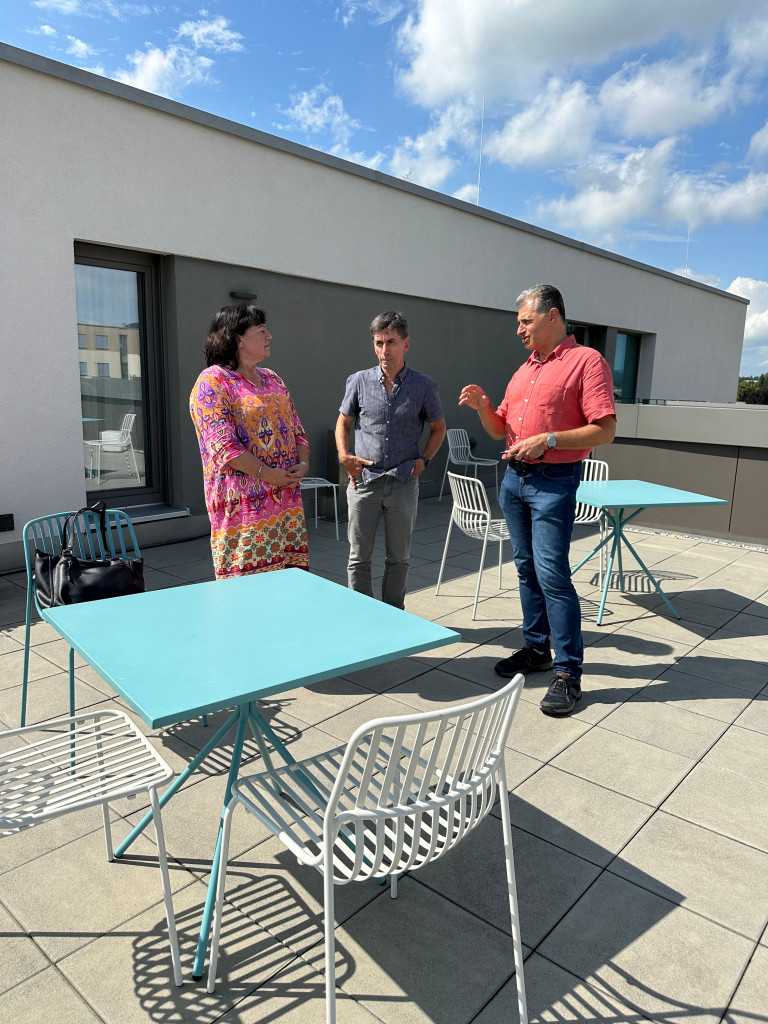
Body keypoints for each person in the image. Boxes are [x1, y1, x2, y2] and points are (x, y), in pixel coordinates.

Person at [459, 284, 616, 715]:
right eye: (518, 323)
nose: (519, 330)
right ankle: (536, 649)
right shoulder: (523, 369)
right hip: (514, 481)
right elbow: (499, 431)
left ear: (552, 317)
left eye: (525, 321)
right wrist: (483, 406)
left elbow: (604, 430)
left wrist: (547, 439)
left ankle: (568, 673)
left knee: (552, 574)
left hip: (553, 481)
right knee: (526, 568)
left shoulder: (586, 362)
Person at [189, 304, 310, 579]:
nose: (270, 337)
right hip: (244, 513)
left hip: (286, 506)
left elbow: (298, 431)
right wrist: (269, 475)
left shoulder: (273, 379)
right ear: (237, 338)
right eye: (262, 331)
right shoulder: (213, 382)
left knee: (289, 590)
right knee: (246, 598)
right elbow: (224, 448)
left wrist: (302, 463)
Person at [335, 310, 446, 609]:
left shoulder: (424, 385)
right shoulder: (358, 381)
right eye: (380, 342)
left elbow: (438, 428)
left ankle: (393, 616)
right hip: (364, 483)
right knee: (359, 557)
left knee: (399, 558)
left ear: (406, 344)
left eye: (392, 342)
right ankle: (362, 615)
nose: (386, 350)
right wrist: (344, 457)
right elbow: (343, 422)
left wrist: (424, 460)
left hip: (403, 481)